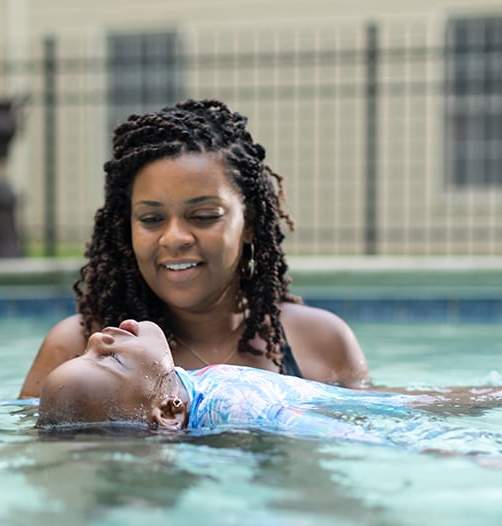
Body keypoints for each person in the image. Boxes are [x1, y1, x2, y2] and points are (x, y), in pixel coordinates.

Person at [19, 98, 370, 398]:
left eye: (203, 216)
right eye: (151, 219)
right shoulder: (80, 348)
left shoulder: (320, 340)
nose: (174, 237)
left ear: (249, 224)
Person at [36, 319, 502, 443]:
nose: (100, 336)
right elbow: (317, 425)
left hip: (370, 408)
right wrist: (440, 446)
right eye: (102, 357)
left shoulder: (183, 400)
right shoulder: (227, 399)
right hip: (389, 416)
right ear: (167, 403)